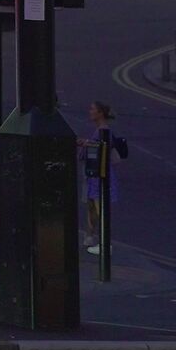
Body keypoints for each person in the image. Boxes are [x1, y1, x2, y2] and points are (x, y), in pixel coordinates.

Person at [80, 101, 128, 253]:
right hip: (95, 176)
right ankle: (92, 237)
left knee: (101, 210)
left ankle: (104, 244)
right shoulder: (100, 131)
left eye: (93, 109)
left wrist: (85, 144)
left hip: (100, 176)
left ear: (100, 113)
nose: (90, 111)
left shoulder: (104, 131)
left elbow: (101, 150)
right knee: (93, 207)